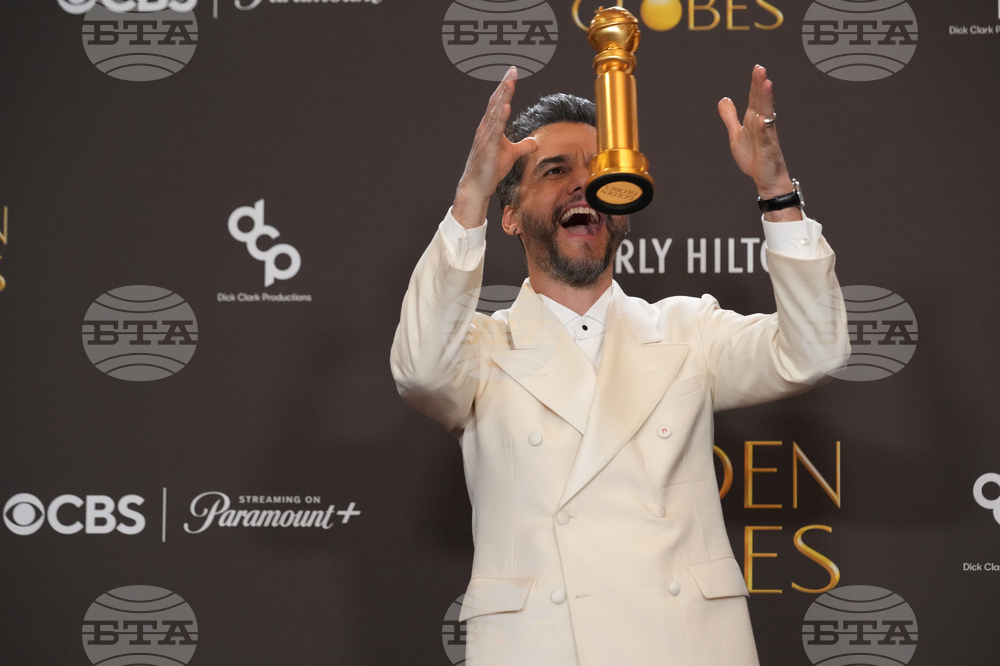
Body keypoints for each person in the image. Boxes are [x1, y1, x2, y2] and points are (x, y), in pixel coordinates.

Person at [390, 65, 848, 666]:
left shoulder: (688, 331)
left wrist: (776, 188)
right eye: (556, 171)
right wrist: (471, 195)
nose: (585, 187)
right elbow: (419, 368)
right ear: (508, 214)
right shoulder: (477, 349)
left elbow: (815, 350)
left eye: (600, 173)